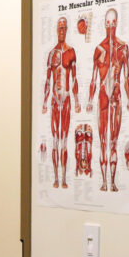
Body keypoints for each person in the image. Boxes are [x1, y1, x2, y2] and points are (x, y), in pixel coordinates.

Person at [88, 8, 129, 192]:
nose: (110, 27)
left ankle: (112, 182)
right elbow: (93, 77)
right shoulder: (99, 49)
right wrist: (90, 99)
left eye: (113, 23)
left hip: (116, 95)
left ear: (117, 23)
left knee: (113, 141)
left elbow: (126, 76)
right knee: (102, 141)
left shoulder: (123, 48)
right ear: (104, 24)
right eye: (108, 23)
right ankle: (104, 182)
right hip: (102, 96)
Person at [42, 17, 79, 189]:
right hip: (55, 101)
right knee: (55, 139)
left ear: (67, 30)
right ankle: (55, 178)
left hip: (66, 99)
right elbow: (48, 81)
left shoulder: (71, 52)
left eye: (64, 28)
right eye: (60, 28)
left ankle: (63, 178)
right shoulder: (51, 54)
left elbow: (74, 78)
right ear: (56, 30)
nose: (62, 31)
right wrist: (44, 101)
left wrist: (77, 100)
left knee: (64, 139)